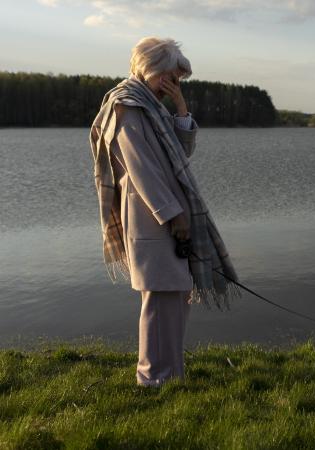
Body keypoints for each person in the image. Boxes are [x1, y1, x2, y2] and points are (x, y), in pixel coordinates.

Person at [89, 37, 240, 387]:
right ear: (150, 68)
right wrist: (173, 215)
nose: (172, 84)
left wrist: (181, 108)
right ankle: (153, 379)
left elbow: (181, 154)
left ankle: (170, 376)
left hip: (164, 217)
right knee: (160, 299)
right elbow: (141, 169)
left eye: (178, 80)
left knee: (175, 295)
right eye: (169, 77)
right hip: (152, 219)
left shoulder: (151, 106)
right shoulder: (127, 107)